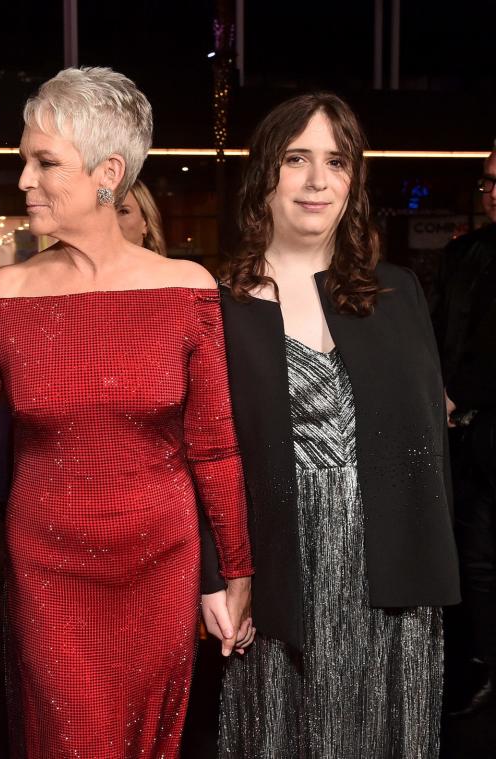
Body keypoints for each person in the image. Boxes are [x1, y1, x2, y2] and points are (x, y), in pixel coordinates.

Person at [0, 66, 253, 758]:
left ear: (107, 172)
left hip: (163, 562)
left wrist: (237, 575)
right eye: (25, 161)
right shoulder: (6, 296)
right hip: (50, 567)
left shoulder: (188, 290)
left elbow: (214, 447)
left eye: (44, 162)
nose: (25, 179)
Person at [204, 93, 460, 758]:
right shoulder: (216, 306)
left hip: (389, 577)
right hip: (275, 571)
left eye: (336, 161)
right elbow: (198, 458)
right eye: (297, 159)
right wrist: (214, 573)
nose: (318, 181)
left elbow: (429, 452)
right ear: (264, 173)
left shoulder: (397, 294)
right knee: (279, 733)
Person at [432, 143, 496, 716]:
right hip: (469, 442)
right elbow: (438, 334)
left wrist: (460, 392)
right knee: (475, 562)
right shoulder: (464, 256)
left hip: (475, 416)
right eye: (489, 182)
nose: (493, 194)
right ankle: (485, 667)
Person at [116, 178, 167, 255]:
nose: (111, 221)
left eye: (123, 211)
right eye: (105, 212)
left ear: (146, 222)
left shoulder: (173, 267)